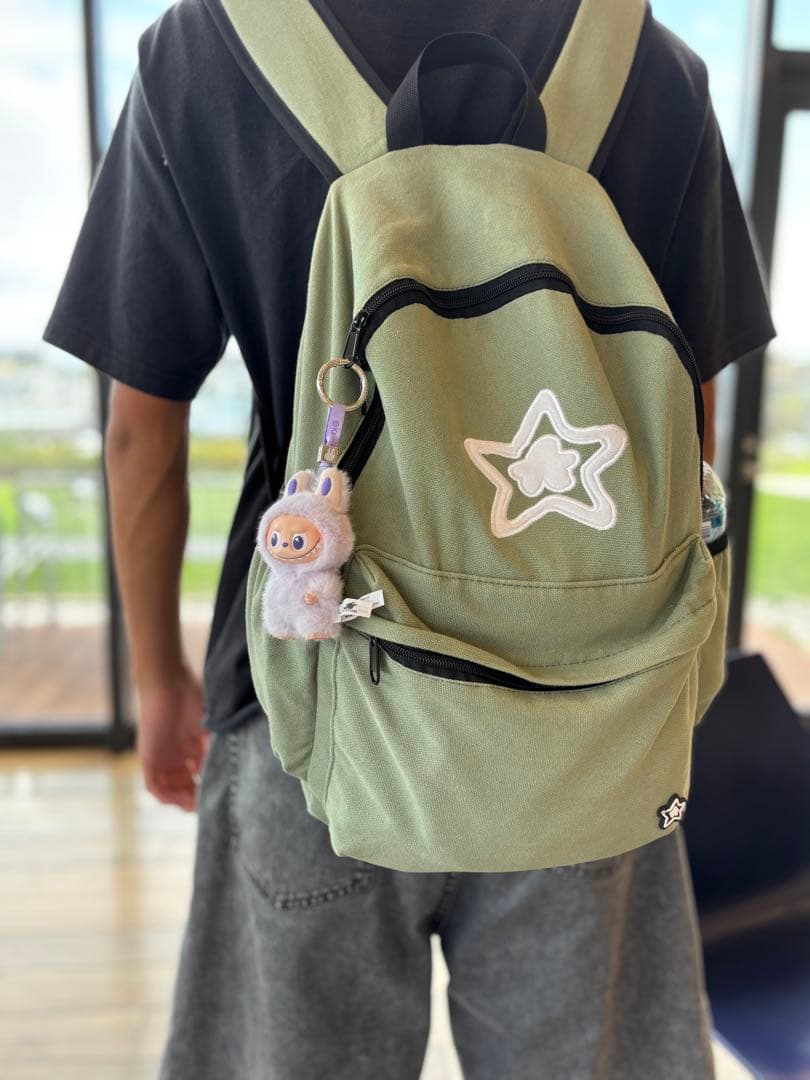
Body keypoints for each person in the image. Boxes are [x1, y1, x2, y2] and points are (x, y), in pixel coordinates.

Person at [45, 1, 776, 1076]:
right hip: (592, 705)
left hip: (313, 683)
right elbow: (689, 417)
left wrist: (159, 681)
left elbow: (139, 434)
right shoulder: (644, 57)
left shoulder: (207, 44)